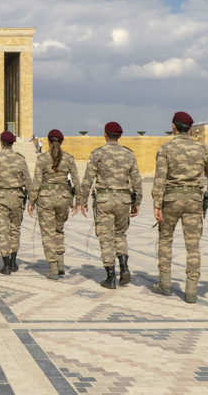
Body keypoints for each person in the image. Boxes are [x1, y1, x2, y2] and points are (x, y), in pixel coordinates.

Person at [152, 112, 208, 302]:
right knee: (193, 246)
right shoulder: (203, 149)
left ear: (174, 126)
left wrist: (157, 203)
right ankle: (191, 290)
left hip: (171, 199)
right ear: (190, 128)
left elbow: (160, 179)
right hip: (194, 200)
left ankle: (165, 283)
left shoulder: (165, 148)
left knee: (165, 240)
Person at [79, 122, 142, 289]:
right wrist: (137, 202)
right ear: (119, 136)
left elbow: (87, 179)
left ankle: (110, 277)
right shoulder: (129, 154)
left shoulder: (98, 154)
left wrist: (82, 200)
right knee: (120, 234)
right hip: (123, 200)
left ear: (105, 134)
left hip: (104, 200)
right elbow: (136, 180)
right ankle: (124, 267)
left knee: (106, 238)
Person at [28, 129, 81, 280]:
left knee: (48, 233)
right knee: (58, 230)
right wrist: (79, 201)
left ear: (49, 142)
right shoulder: (69, 159)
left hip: (46, 198)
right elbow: (76, 181)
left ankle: (53, 268)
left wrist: (31, 201)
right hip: (64, 198)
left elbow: (37, 182)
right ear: (61, 142)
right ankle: (61, 264)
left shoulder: (42, 158)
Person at [0, 131, 31, 275]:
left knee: (3, 231)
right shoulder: (20, 159)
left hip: (1, 198)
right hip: (17, 197)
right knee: (15, 229)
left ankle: (6, 265)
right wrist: (32, 201)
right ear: (13, 143)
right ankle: (14, 261)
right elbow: (28, 181)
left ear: (1, 143)